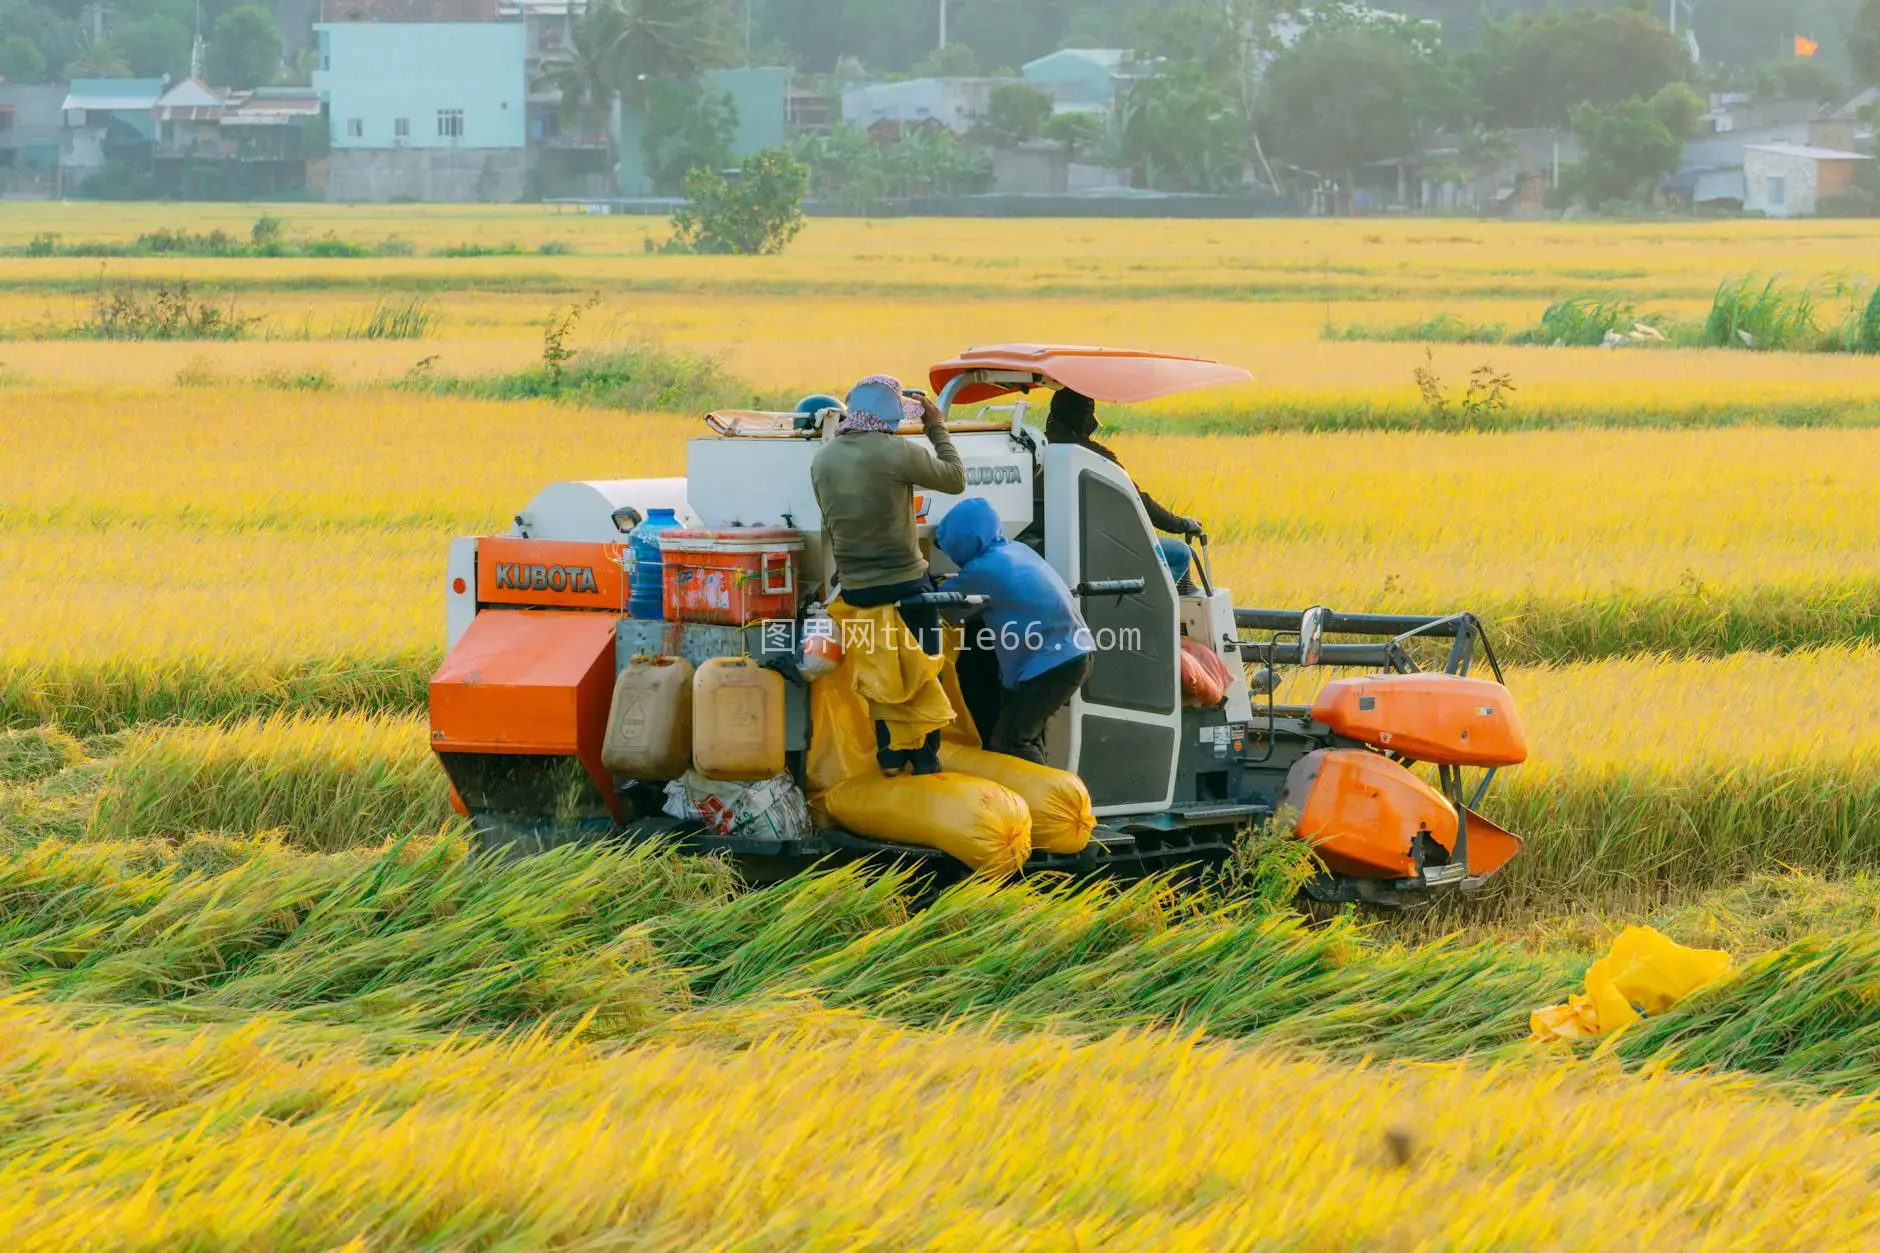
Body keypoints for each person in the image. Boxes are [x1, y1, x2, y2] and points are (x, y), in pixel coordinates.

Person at [811, 373, 967, 773]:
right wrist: (936, 427)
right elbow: (955, 479)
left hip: (857, 590)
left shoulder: (823, 458)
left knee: (881, 668)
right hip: (905, 583)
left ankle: (890, 756)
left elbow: (831, 522)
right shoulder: (895, 451)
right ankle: (926, 757)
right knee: (922, 667)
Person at [935, 496, 1094, 765]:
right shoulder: (1016, 550)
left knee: (1009, 740)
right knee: (1027, 735)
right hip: (1072, 654)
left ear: (962, 543)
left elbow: (942, 606)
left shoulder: (985, 569)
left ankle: (1051, 801)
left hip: (1052, 665)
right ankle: (1041, 798)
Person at [1039, 387, 1204, 589]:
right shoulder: (1093, 457)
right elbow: (1138, 500)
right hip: (1094, 552)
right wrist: (1182, 524)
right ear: (1082, 419)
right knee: (1179, 553)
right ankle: (1148, 615)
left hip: (1046, 550)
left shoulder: (1035, 452)